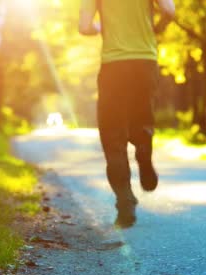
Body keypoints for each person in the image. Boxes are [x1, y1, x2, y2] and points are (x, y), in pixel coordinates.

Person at [79, 0, 176, 228]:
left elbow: (84, 26)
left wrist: (100, 28)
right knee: (142, 118)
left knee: (113, 135)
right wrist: (156, 28)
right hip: (145, 62)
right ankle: (144, 152)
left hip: (114, 65)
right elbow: (169, 10)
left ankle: (124, 198)